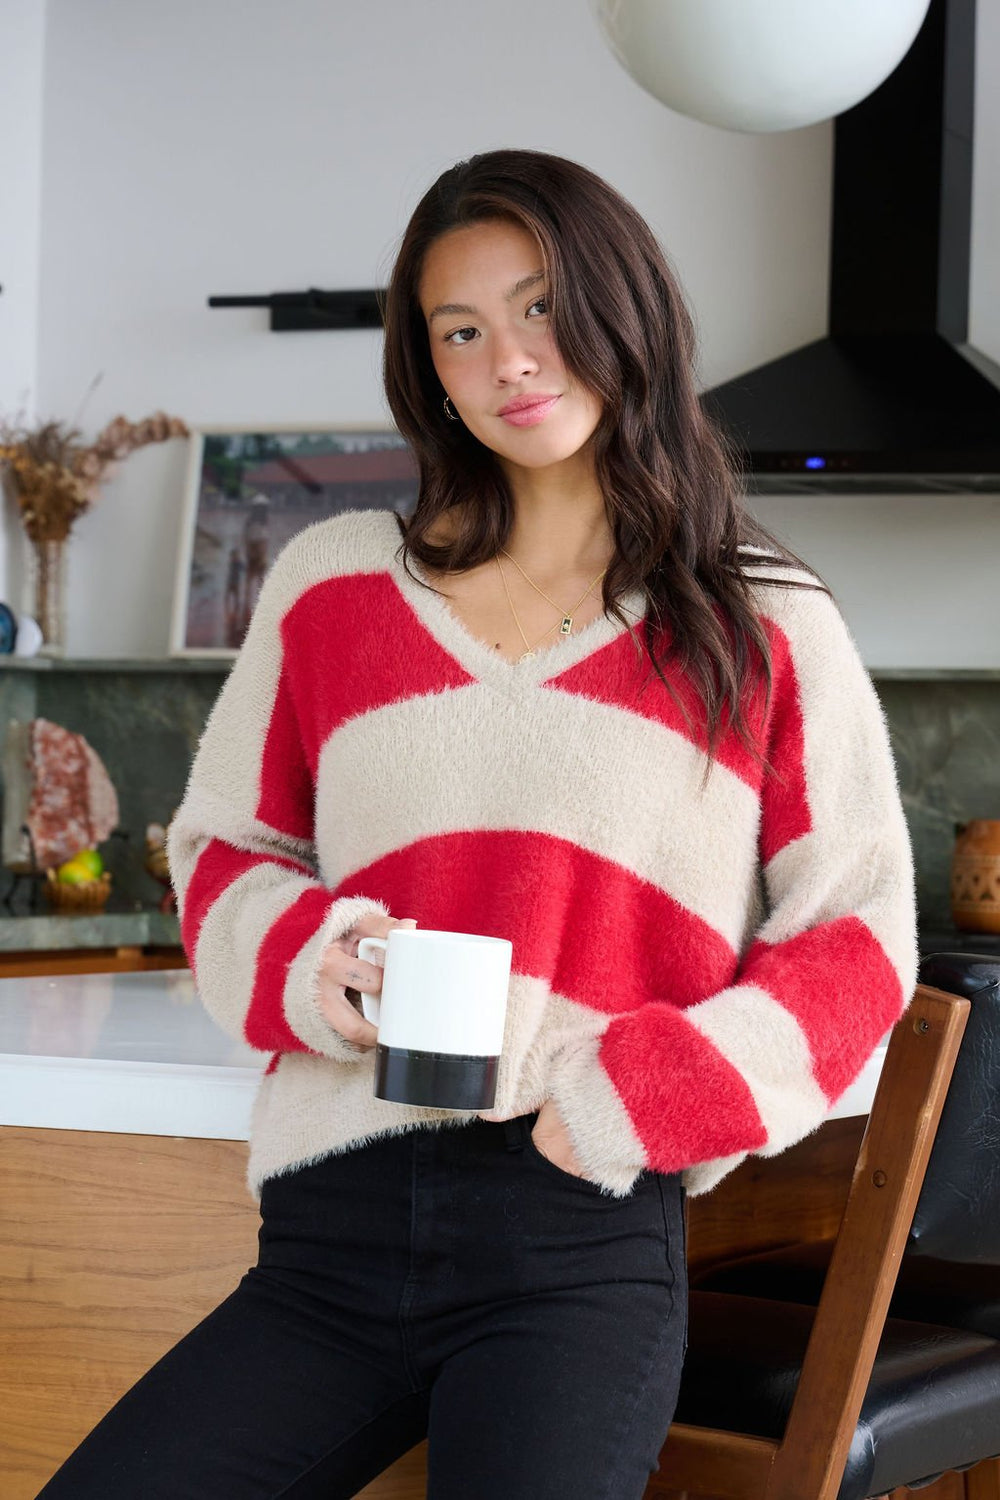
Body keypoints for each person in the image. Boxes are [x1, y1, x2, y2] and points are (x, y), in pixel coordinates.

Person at [37, 148, 917, 1499]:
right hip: (332, 1230)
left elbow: (857, 936)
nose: (509, 357)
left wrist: (628, 1103)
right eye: (462, 330)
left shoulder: (762, 621)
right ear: (429, 369)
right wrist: (310, 963)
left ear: (628, 309)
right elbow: (221, 849)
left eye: (541, 306)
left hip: (578, 1228)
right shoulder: (332, 588)